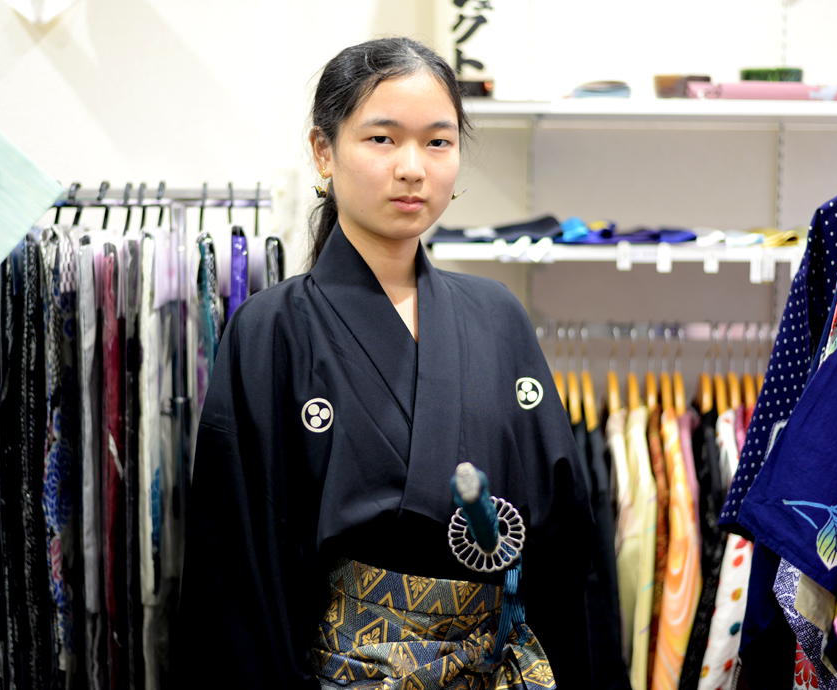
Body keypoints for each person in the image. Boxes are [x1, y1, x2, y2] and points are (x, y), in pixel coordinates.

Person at [178, 37, 595, 689]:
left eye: (438, 141)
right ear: (324, 152)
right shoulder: (271, 330)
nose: (412, 168)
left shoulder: (498, 315)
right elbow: (235, 566)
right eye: (382, 139)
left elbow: (565, 539)